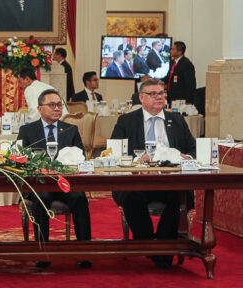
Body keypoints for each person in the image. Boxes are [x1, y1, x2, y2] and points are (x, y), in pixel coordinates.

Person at [110, 78, 196, 268]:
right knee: (131, 198)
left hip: (170, 181)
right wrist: (135, 161)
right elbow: (114, 152)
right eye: (153, 94)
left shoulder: (177, 120)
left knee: (184, 197)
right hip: (136, 181)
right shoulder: (126, 121)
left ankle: (162, 247)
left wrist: (184, 157)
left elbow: (193, 150)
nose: (159, 97)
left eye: (162, 93)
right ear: (141, 97)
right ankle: (150, 245)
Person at [17, 89, 92, 268]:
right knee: (41, 199)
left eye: (59, 105)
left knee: (80, 198)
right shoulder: (27, 130)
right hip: (40, 184)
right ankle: (42, 251)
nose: (57, 109)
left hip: (66, 183)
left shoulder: (71, 130)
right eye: (52, 105)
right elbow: (19, 159)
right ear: (40, 108)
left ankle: (85, 250)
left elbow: (81, 158)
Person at [165, 41, 196, 105]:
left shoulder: (186, 64)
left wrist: (189, 101)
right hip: (171, 97)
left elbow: (190, 84)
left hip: (181, 99)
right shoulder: (172, 62)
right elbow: (169, 77)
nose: (170, 51)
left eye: (173, 49)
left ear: (179, 52)